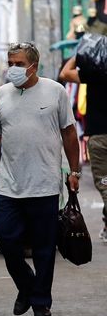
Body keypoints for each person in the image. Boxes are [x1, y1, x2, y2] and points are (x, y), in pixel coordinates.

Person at [0, 42, 80, 316]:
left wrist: (74, 171)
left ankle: (40, 302)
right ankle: (26, 285)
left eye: (19, 64)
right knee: (5, 237)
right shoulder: (0, 95)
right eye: (10, 63)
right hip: (10, 184)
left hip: (45, 182)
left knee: (44, 247)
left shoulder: (55, 91)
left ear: (34, 66)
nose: (13, 68)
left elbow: (69, 133)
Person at [59, 56, 107, 241]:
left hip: (99, 139)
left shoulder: (94, 74)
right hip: (98, 139)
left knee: (105, 183)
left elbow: (65, 72)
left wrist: (79, 54)